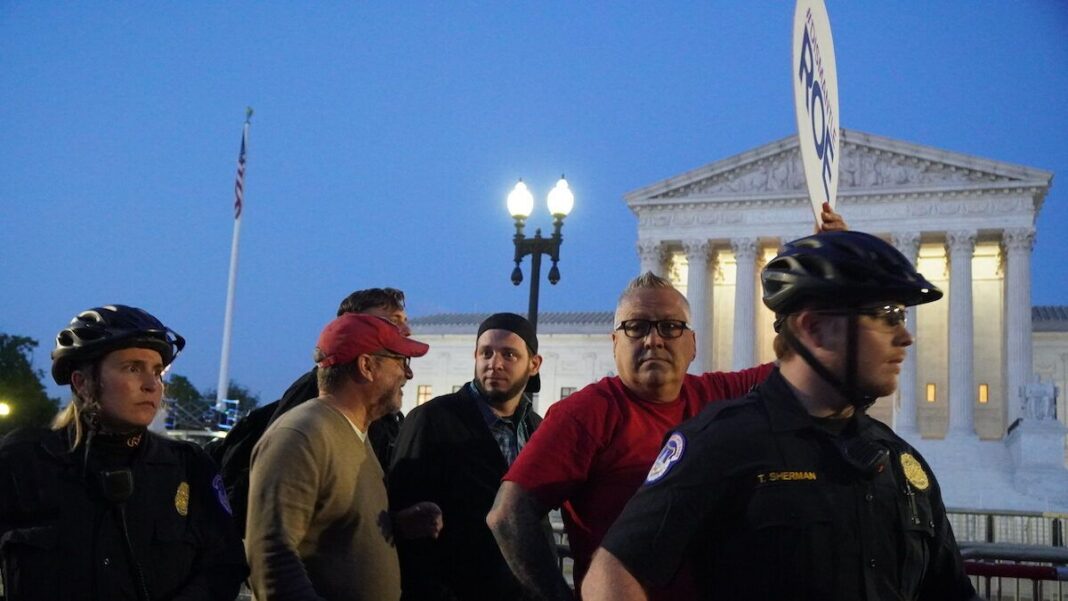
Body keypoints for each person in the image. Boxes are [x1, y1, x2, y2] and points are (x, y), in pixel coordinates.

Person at [584, 231, 979, 600]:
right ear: (816, 329)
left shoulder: (900, 462)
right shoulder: (721, 442)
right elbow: (611, 576)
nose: (904, 335)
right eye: (885, 314)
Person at [488, 204, 848, 600]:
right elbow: (508, 515)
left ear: (692, 343)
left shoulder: (718, 396)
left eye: (670, 327)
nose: (653, 340)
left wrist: (834, 268)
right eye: (636, 327)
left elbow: (809, 364)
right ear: (614, 342)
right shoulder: (586, 413)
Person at [0, 304, 248, 600]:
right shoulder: (23, 461)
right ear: (82, 383)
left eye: (157, 371)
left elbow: (223, 568)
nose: (151, 384)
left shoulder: (189, 467)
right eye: (132, 368)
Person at [245, 313, 441, 601]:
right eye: (401, 361)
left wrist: (396, 526)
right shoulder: (302, 434)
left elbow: (330, 531)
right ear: (366, 366)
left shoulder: (353, 433)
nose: (408, 374)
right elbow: (269, 553)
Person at [212, 286, 410, 537]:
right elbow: (276, 530)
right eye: (392, 322)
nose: (405, 330)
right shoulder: (312, 398)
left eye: (404, 321)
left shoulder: (381, 408)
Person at [389, 312, 546, 600]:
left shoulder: (538, 429)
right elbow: (403, 522)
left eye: (509, 354)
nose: (494, 364)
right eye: (486, 353)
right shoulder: (431, 419)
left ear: (534, 364)